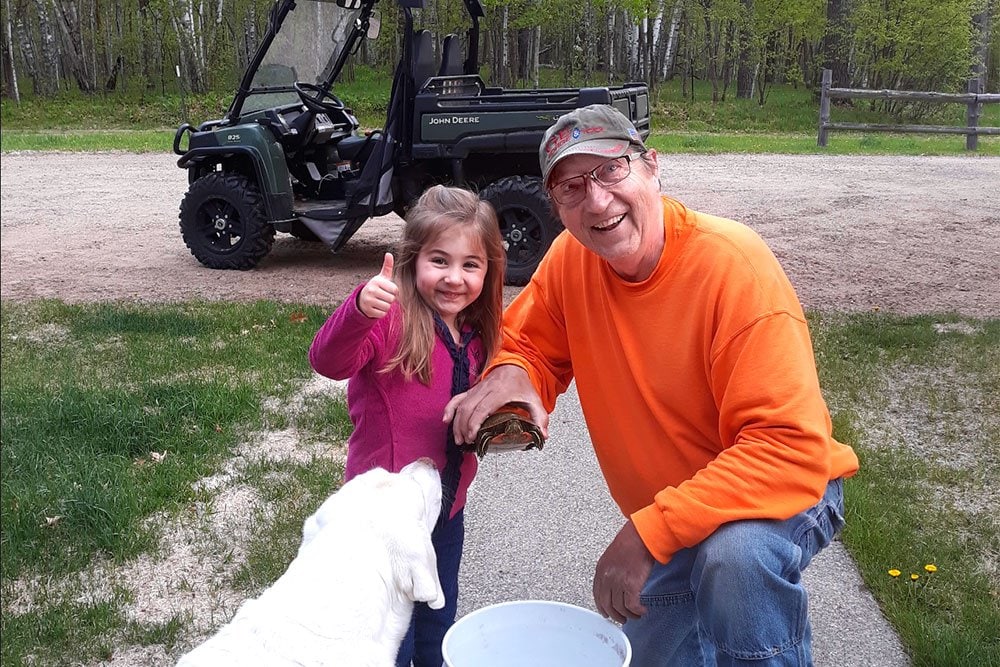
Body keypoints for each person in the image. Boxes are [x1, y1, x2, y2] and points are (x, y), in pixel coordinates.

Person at [444, 104, 860, 666]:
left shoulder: (734, 268)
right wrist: (516, 378)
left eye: (611, 170)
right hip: (682, 510)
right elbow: (530, 343)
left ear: (652, 167)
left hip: (781, 492)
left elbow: (786, 448)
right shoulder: (573, 259)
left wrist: (647, 535)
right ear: (556, 205)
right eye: (570, 187)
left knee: (736, 560)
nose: (596, 200)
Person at [309, 184, 505, 667]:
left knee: (438, 621)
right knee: (390, 635)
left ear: (489, 269)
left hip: (446, 513)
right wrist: (358, 310)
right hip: (384, 523)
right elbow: (327, 361)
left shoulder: (478, 333)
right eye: (439, 261)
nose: (454, 278)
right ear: (413, 259)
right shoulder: (390, 318)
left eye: (470, 265)